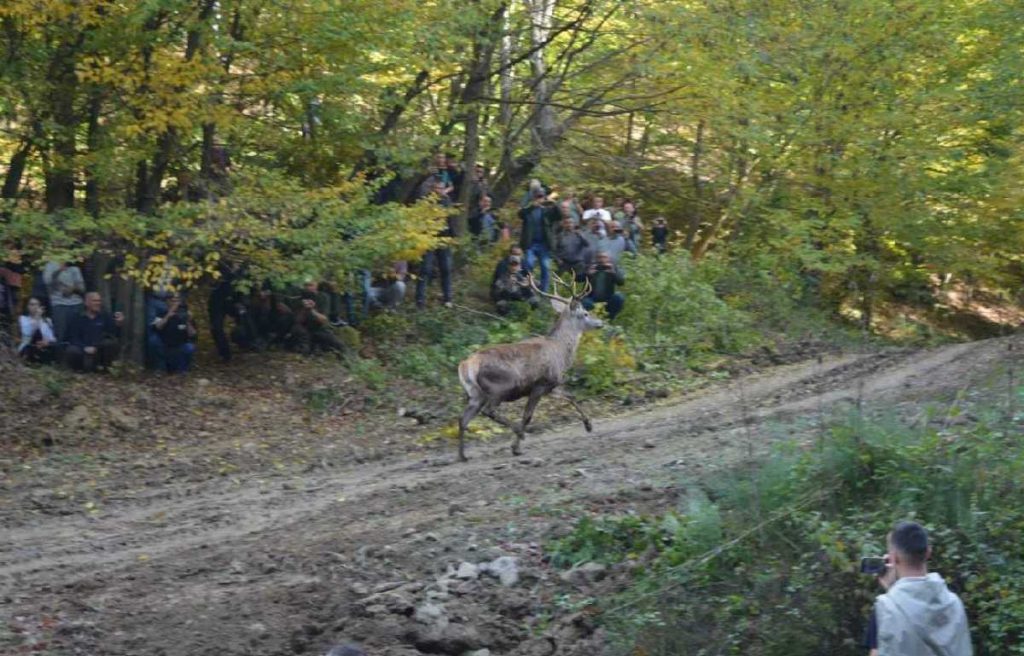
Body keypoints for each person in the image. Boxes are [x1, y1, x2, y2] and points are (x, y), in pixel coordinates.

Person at [867, 521, 972, 656]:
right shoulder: (954, 603)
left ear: (893, 558)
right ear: (928, 552)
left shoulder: (885, 609)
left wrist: (891, 592)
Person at [416, 181, 455, 308]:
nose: (440, 190)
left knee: (446, 269)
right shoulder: (427, 201)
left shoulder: (447, 201)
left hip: (444, 238)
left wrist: (452, 236)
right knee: (425, 269)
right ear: (433, 189)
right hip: (429, 238)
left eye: (442, 188)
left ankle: (448, 298)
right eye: (437, 188)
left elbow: (451, 219)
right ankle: (420, 300)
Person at [66, 291, 123, 372]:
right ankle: (78, 370)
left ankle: (105, 369)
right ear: (86, 303)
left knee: (110, 344)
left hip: (99, 350)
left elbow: (112, 334)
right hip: (83, 350)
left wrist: (118, 324)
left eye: (99, 301)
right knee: (72, 350)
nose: (98, 303)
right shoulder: (77, 317)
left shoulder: (105, 316)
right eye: (95, 301)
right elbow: (72, 337)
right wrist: (84, 348)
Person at [518, 188, 560, 292]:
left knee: (545, 268)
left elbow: (559, 216)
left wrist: (554, 203)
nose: (539, 199)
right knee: (528, 263)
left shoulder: (548, 210)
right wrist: (532, 206)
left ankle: (543, 291)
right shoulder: (528, 210)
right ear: (533, 197)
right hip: (530, 244)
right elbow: (520, 214)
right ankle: (528, 287)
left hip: (543, 245)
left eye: (541, 196)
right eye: (537, 196)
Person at [147, 292, 198, 373]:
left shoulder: (184, 314)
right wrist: (168, 315)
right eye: (172, 301)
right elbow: (157, 327)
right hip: (165, 347)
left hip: (179, 346)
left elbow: (193, 334)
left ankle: (183, 370)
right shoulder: (161, 313)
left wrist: (187, 321)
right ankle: (161, 368)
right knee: (153, 341)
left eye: (177, 301)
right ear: (167, 302)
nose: (175, 303)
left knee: (190, 347)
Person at [287, 284, 344, 355]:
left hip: (318, 327)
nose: (309, 287)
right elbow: (297, 320)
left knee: (338, 344)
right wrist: (304, 309)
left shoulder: (323, 297)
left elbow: (323, 320)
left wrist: (312, 310)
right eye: (307, 285)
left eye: (311, 285)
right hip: (302, 328)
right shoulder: (298, 297)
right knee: (303, 346)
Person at [43, 261, 85, 344]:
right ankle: (59, 354)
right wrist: (59, 270)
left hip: (76, 304)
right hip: (59, 305)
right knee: (59, 335)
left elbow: (82, 288)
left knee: (76, 334)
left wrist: (73, 289)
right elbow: (47, 282)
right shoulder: (50, 265)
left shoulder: (74, 268)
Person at [582, 251, 625, 320]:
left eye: (604, 257)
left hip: (608, 298)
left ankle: (609, 319)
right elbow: (578, 279)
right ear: (596, 259)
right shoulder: (591, 267)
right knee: (585, 302)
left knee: (619, 297)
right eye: (599, 257)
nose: (602, 259)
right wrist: (588, 274)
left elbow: (621, 282)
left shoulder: (613, 268)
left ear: (609, 259)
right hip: (591, 297)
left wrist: (613, 273)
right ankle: (591, 319)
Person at [18, 296, 57, 364]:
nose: (35, 307)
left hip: (44, 347)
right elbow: (28, 334)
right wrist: (37, 318)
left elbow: (52, 338)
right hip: (28, 347)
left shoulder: (47, 320)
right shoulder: (23, 319)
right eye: (32, 304)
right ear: (28, 307)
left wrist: (47, 343)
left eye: (37, 304)